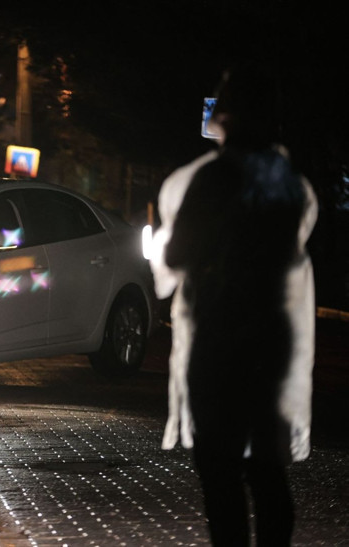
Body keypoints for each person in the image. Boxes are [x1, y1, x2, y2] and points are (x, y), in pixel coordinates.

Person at [150, 63, 318, 546]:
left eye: (221, 99)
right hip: (274, 335)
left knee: (219, 468)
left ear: (230, 114)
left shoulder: (216, 179)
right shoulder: (288, 181)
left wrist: (164, 245)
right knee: (266, 467)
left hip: (221, 333)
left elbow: (179, 253)